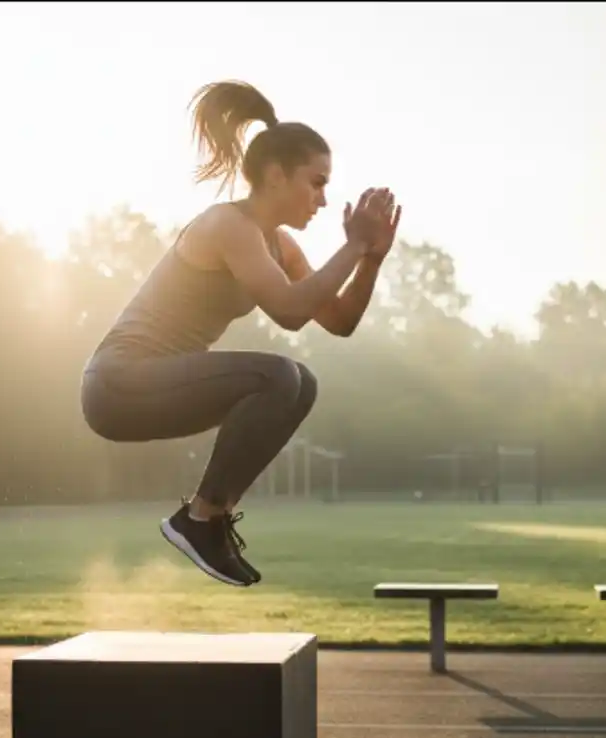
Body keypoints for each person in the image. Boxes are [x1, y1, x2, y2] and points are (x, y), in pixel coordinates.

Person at [79, 80, 402, 588]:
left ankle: (211, 519)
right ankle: (200, 519)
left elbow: (339, 322)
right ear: (276, 176)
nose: (323, 199)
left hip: (161, 387)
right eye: (316, 182)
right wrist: (353, 245)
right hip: (117, 384)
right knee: (277, 376)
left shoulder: (281, 247)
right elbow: (291, 312)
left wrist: (369, 259)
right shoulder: (227, 226)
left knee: (302, 382)